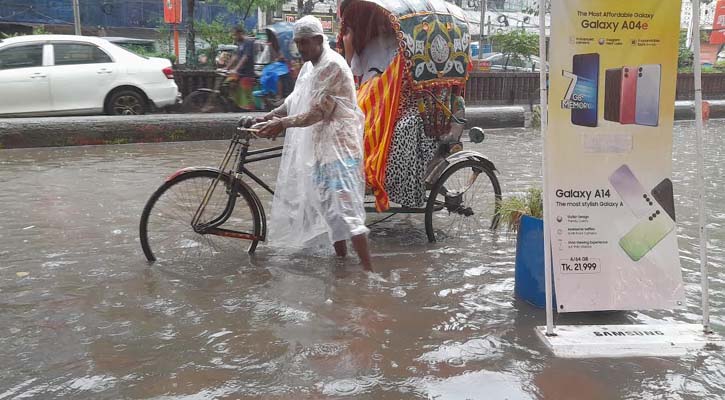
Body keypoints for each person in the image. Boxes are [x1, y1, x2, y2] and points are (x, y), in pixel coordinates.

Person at [256, 15, 373, 271]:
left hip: (341, 150)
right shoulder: (311, 66)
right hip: (322, 147)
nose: (300, 49)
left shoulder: (331, 65)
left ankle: (369, 274)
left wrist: (282, 124)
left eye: (304, 43)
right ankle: (342, 264)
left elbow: (317, 112)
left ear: (319, 40)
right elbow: (297, 98)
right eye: (298, 44)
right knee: (331, 213)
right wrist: (273, 114)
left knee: (347, 212)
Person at [227, 26, 256, 111]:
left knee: (247, 94)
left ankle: (251, 111)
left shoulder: (248, 42)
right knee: (228, 82)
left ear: (240, 34)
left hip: (247, 72)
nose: (234, 37)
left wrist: (236, 69)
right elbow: (235, 57)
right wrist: (226, 67)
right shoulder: (239, 43)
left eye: (235, 35)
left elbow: (245, 57)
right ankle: (234, 104)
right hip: (239, 72)